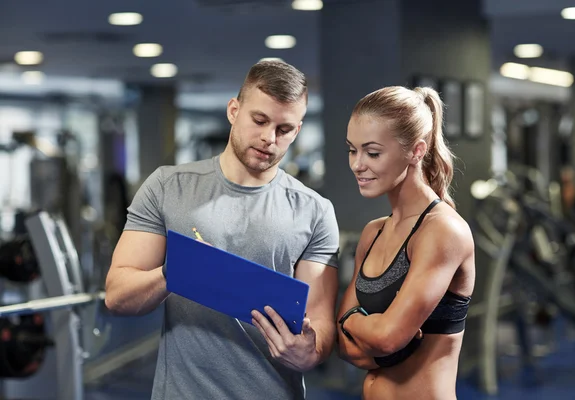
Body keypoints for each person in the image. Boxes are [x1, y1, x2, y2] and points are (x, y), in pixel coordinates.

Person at [104, 60, 340, 400]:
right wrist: (176, 272)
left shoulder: (314, 211)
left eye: (284, 129)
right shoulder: (167, 186)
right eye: (259, 120)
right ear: (234, 110)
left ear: (297, 131)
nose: (268, 138)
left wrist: (311, 350)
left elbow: (320, 320)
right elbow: (117, 295)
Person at [336, 86, 475, 399]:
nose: (358, 164)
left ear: (416, 151)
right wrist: (366, 329)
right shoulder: (373, 234)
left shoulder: (442, 231)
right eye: (351, 150)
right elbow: (345, 347)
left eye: (372, 152)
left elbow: (386, 338)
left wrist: (354, 321)